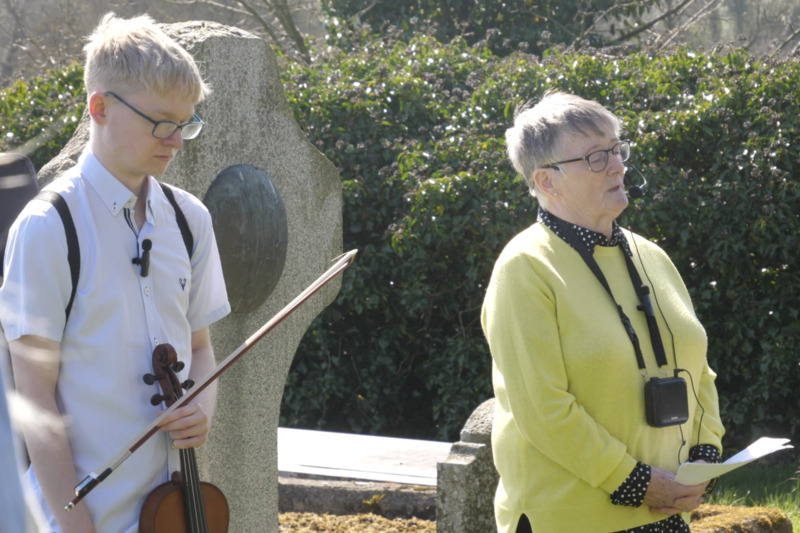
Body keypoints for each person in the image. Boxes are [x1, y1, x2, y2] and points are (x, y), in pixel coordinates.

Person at [0, 13, 230, 533]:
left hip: (172, 514)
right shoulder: (47, 227)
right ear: (99, 108)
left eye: (186, 123)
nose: (177, 140)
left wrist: (200, 406)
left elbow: (199, 349)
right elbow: (34, 399)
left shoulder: (191, 220)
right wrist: (77, 526)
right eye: (161, 121)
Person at [481, 91, 725, 533]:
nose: (617, 166)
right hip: (569, 520)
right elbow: (543, 410)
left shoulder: (651, 256)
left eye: (617, 149)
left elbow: (698, 370)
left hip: (666, 513)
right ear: (547, 182)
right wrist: (635, 482)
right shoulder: (525, 268)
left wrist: (705, 456)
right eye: (596, 157)